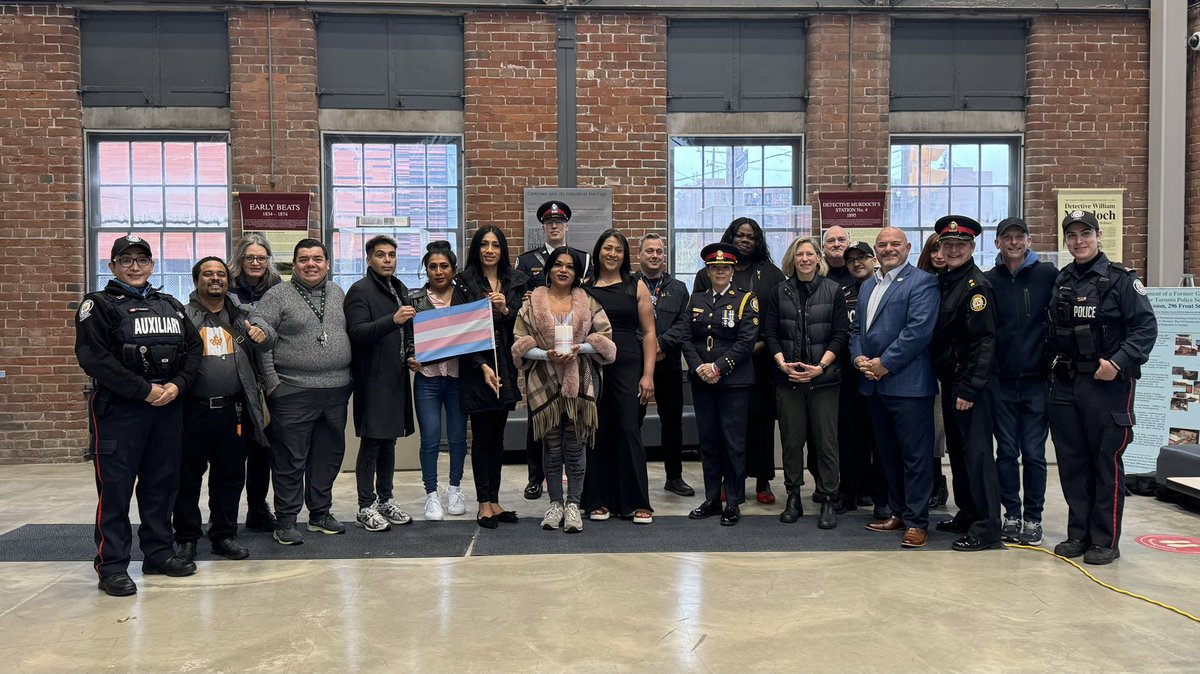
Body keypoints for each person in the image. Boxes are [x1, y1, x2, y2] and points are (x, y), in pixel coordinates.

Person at [74, 235, 202, 596]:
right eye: (125, 260)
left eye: (141, 260)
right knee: (115, 491)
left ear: (151, 265)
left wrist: (177, 384)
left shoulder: (170, 305)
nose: (134, 266)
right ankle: (112, 565)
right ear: (112, 266)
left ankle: (159, 553)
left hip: (167, 406)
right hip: (121, 410)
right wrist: (143, 390)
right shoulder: (97, 305)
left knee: (161, 485)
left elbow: (193, 349)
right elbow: (94, 357)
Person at [1046, 210, 1157, 565]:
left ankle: (1105, 539)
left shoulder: (1122, 279)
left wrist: (1118, 363)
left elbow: (1145, 328)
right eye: (1072, 236)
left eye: (1086, 234)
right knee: (1073, 462)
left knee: (1105, 462)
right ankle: (1078, 534)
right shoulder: (1062, 280)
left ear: (1098, 236)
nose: (1079, 241)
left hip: (1106, 384)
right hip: (1066, 383)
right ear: (1066, 241)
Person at [251, 238, 353, 545]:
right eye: (304, 259)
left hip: (336, 391)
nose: (311, 264)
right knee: (290, 460)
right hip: (292, 391)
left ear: (327, 263)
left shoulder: (337, 292)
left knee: (328, 457)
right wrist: (273, 385)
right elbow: (261, 330)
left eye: (317, 259)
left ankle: (320, 514)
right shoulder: (277, 294)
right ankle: (285, 521)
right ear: (293, 265)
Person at [173, 257, 271, 563]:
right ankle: (187, 537)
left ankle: (223, 534)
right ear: (196, 280)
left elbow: (270, 337)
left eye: (220, 275)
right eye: (208, 274)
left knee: (229, 476)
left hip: (234, 409)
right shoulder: (182, 316)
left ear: (228, 281)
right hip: (193, 410)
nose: (215, 279)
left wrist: (262, 335)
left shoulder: (243, 312)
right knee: (187, 477)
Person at [512, 247, 616, 533]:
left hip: (579, 380)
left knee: (576, 443)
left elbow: (606, 340)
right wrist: (546, 355)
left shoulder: (588, 302)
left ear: (577, 272)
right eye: (558, 264)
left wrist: (578, 348)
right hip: (544, 381)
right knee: (551, 444)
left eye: (570, 266)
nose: (563, 270)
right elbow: (520, 340)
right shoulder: (532, 302)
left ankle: (573, 504)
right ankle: (555, 503)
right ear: (549, 269)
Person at [850, 227, 939, 548]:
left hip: (908, 386)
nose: (889, 249)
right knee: (888, 455)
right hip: (874, 386)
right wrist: (859, 357)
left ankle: (917, 521)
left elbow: (918, 332)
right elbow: (857, 329)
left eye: (895, 244)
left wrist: (883, 364)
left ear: (908, 248)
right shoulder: (868, 286)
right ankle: (898, 512)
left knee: (915, 457)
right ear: (876, 250)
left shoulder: (923, 282)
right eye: (883, 245)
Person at [692, 217, 785, 504]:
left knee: (760, 422)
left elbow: (778, 318)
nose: (746, 241)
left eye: (751, 237)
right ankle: (726, 484)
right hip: (716, 366)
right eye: (740, 235)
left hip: (761, 362)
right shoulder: (705, 275)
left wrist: (758, 346)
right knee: (721, 429)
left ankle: (762, 480)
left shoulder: (771, 274)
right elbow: (696, 323)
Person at [928, 216, 1003, 552]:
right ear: (940, 247)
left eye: (960, 244)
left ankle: (987, 526)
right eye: (948, 244)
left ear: (972, 247)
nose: (953, 249)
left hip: (969, 387)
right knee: (957, 453)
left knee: (977, 456)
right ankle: (968, 512)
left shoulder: (976, 287)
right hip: (951, 380)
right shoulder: (946, 280)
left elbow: (985, 341)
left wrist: (970, 389)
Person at [765, 237, 849, 529]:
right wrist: (781, 363)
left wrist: (820, 367)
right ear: (793, 258)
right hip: (788, 380)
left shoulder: (833, 290)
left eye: (809, 253)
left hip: (823, 381)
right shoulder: (780, 291)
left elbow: (840, 334)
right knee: (791, 441)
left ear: (818, 258)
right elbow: (771, 332)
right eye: (799, 254)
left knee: (826, 442)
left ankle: (827, 498)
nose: (804, 258)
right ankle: (793, 496)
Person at [985, 217, 1057, 546]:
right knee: (1006, 453)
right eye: (1006, 238)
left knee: (1034, 454)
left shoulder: (1048, 276)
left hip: (1036, 381)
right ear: (997, 243)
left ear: (1028, 241)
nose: (1013, 242)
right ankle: (1011, 513)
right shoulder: (989, 281)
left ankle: (1034, 517)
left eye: (1019, 237)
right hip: (1001, 381)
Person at [515, 200, 591, 500]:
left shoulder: (582, 259)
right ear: (543, 227)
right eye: (549, 223)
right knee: (541, 421)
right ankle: (536, 478)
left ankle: (573, 492)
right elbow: (525, 306)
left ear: (567, 226)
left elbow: (587, 297)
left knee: (573, 430)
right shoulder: (526, 261)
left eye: (559, 222)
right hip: (542, 361)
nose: (555, 226)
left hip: (574, 358)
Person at [582, 229, 657, 524]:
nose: (612, 254)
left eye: (618, 250)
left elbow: (650, 332)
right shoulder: (585, 287)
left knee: (628, 428)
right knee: (597, 429)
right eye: (608, 248)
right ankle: (598, 500)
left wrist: (648, 375)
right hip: (595, 364)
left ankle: (637, 501)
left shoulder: (635, 285)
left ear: (625, 256)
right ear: (598, 251)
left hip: (629, 362)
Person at [344, 235, 416, 533]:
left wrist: (411, 353)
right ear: (369, 259)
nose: (387, 260)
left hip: (396, 377)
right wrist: (393, 320)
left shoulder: (399, 289)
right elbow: (358, 333)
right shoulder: (359, 291)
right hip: (372, 380)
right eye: (380, 255)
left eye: (391, 255)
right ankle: (365, 506)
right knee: (372, 442)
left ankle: (386, 499)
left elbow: (407, 331)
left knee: (389, 442)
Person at [684, 243, 760, 526]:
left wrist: (718, 367)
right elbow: (685, 337)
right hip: (703, 381)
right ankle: (713, 498)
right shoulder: (695, 300)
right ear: (708, 270)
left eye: (725, 268)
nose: (720, 272)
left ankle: (734, 501)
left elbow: (746, 341)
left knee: (733, 442)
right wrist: (698, 367)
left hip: (734, 383)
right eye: (715, 268)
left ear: (733, 270)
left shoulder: (745, 300)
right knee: (708, 442)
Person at [457, 225, 528, 528]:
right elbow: (460, 330)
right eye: (484, 244)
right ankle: (482, 503)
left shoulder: (516, 281)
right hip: (479, 369)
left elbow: (525, 322)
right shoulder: (464, 282)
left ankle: (495, 500)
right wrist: (481, 366)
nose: (489, 250)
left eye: (495, 245)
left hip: (506, 369)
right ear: (476, 249)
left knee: (498, 439)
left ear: (502, 250)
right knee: (482, 438)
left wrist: (507, 310)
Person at [406, 241, 472, 522]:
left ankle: (454, 489)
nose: (438, 271)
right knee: (430, 438)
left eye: (444, 265)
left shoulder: (467, 297)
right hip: (427, 379)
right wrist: (409, 355)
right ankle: (431, 495)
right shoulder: (415, 299)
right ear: (426, 269)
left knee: (458, 438)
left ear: (454, 269)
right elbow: (407, 338)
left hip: (458, 377)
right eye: (432, 266)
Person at [635, 233, 695, 497]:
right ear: (639, 255)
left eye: (659, 251)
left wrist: (660, 345)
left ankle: (674, 477)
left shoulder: (679, 287)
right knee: (632, 420)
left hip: (668, 362)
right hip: (635, 364)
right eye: (649, 251)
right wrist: (647, 346)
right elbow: (624, 323)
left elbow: (685, 323)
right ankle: (632, 476)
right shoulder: (628, 285)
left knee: (672, 422)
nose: (655, 256)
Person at [228, 233, 281, 532]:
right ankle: (225, 514)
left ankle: (258, 508)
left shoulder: (279, 290)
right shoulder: (226, 289)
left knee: (263, 450)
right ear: (240, 259)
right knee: (234, 452)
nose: (256, 262)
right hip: (234, 379)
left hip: (267, 380)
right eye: (250, 257)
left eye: (261, 257)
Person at [836, 242, 890, 519]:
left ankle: (881, 496)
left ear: (874, 260)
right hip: (848, 375)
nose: (857, 263)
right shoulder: (841, 293)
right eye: (851, 260)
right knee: (849, 439)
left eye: (862, 258)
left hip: (883, 374)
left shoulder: (887, 289)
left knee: (880, 440)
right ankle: (848, 494)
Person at [916, 233, 951, 509]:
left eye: (944, 248)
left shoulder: (958, 281)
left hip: (948, 368)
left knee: (939, 430)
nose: (939, 254)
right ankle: (930, 481)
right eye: (934, 249)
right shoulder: (920, 282)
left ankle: (939, 481)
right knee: (926, 428)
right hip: (921, 365)